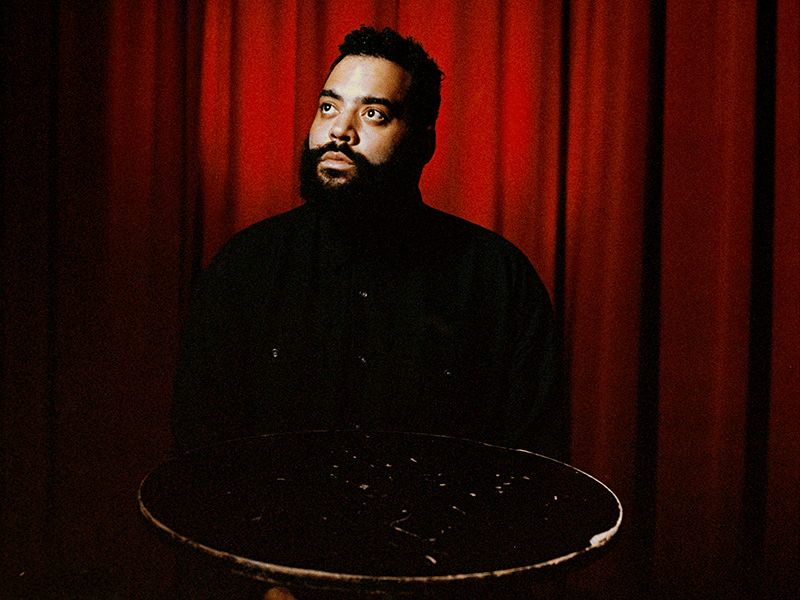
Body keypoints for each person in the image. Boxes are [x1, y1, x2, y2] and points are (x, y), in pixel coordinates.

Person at [171, 26, 565, 599]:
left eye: (374, 114)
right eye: (329, 107)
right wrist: (265, 590)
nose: (340, 130)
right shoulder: (244, 269)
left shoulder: (498, 281)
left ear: (424, 140)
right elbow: (201, 459)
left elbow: (533, 478)